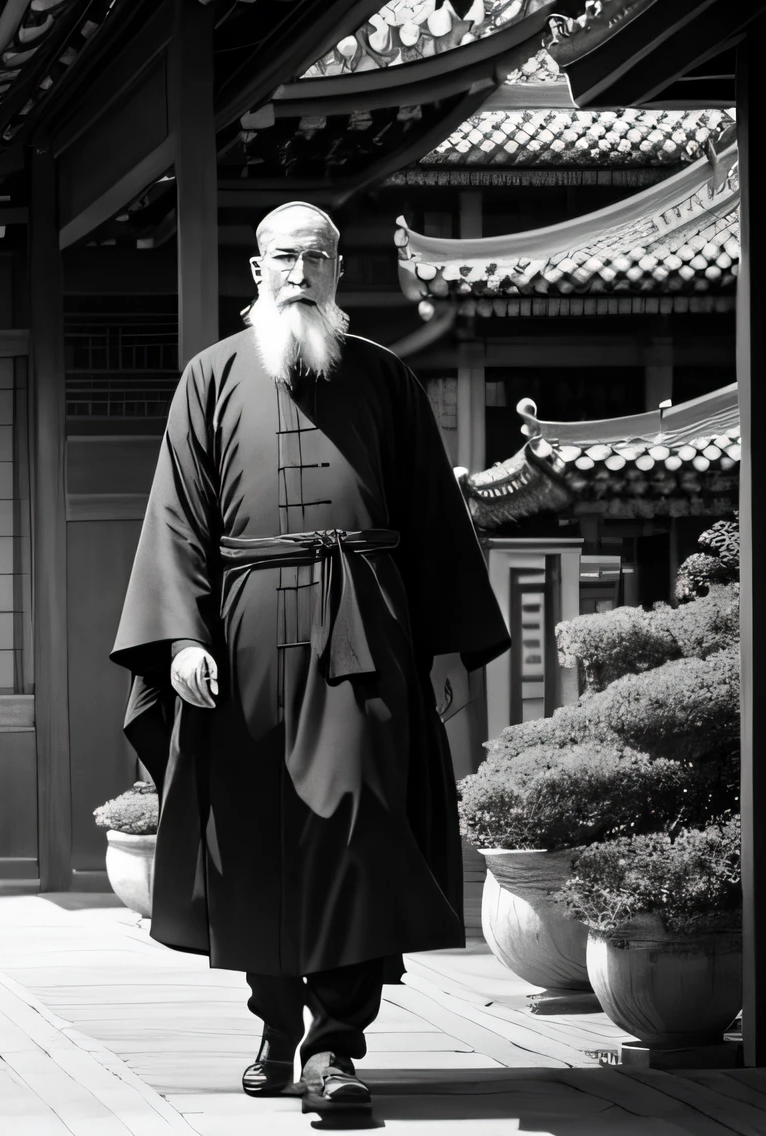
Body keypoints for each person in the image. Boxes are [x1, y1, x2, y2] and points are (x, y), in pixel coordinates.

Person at [110, 202, 510, 1116]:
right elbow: (175, 518)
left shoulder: (385, 379)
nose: (300, 272)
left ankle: (335, 1047)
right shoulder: (209, 378)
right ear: (256, 272)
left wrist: (446, 646)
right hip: (244, 636)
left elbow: (436, 522)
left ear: (338, 272)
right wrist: (180, 639)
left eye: (316, 258)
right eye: (283, 258)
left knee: (355, 822)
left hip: (362, 630)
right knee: (253, 830)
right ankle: (274, 1021)